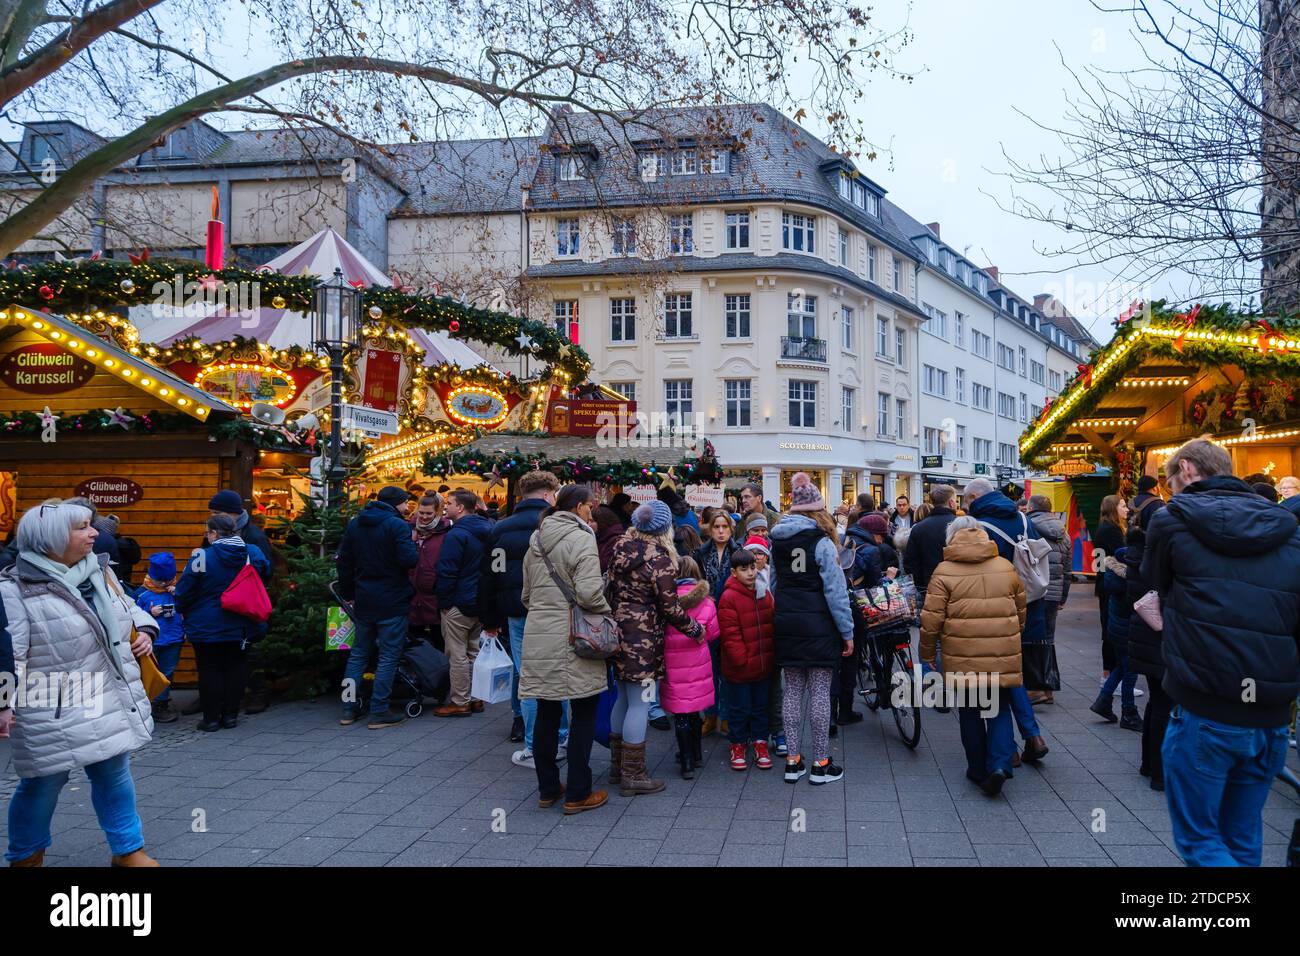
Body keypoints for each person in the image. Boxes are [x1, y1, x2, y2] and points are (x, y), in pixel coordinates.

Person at [1141, 439, 1300, 865]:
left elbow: (1154, 586)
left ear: (1188, 470)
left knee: (1201, 840)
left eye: (1169, 480)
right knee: (1243, 835)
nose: (1168, 490)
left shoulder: (1171, 519)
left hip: (1205, 703)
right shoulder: (1288, 527)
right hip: (1270, 715)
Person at [2, 500, 162, 867]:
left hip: (102, 692)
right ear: (51, 537)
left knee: (114, 773)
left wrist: (146, 631)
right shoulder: (14, 588)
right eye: (82, 528)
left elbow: (130, 609)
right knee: (43, 782)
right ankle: (26, 856)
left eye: (91, 525)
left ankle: (129, 851)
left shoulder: (99, 573)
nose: (94, 533)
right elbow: (11, 654)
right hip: (48, 701)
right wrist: (3, 702)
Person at [518, 484, 610, 814]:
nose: (592, 513)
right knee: (583, 712)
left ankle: (547, 788)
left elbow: (526, 596)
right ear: (580, 507)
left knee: (547, 709)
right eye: (590, 507)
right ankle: (578, 793)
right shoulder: (582, 538)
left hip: (539, 632)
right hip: (574, 634)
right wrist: (606, 610)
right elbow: (588, 593)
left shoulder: (537, 540)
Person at [920, 515, 1027, 796]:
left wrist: (928, 653)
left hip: (963, 657)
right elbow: (1020, 611)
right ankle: (1001, 765)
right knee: (999, 709)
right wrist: (1010, 638)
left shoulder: (944, 571)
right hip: (1001, 654)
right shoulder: (1004, 567)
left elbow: (931, 619)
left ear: (951, 539)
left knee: (970, 711)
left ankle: (978, 769)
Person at [607, 500, 704, 796]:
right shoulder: (659, 558)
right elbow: (670, 606)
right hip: (644, 639)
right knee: (642, 703)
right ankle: (633, 774)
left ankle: (617, 767)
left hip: (618, 632)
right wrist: (695, 629)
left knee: (622, 697)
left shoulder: (619, 548)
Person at [770, 472, 854, 785]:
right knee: (819, 691)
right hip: (819, 622)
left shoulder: (776, 539)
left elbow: (774, 585)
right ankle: (820, 762)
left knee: (791, 690)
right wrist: (847, 633)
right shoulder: (821, 542)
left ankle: (792, 760)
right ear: (818, 509)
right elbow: (836, 592)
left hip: (787, 621)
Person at [964, 477, 1050, 765]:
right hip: (1031, 606)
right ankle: (1031, 736)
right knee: (1013, 674)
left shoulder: (978, 526)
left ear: (974, 497)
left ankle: (1009, 748)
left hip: (997, 612)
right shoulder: (1024, 519)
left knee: (1000, 678)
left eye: (966, 500)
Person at [478, 471, 562, 761]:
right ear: (549, 494)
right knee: (555, 673)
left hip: (515, 610)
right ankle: (560, 737)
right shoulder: (555, 526)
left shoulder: (500, 528)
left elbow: (489, 576)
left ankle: (531, 738)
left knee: (526, 674)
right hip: (551, 611)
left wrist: (489, 619)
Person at [175, 514, 271, 732]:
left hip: (206, 624)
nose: (206, 536)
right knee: (236, 668)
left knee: (210, 670)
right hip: (242, 622)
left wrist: (182, 609)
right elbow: (265, 574)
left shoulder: (201, 556)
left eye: (207, 532)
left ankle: (210, 719)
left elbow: (185, 590)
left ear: (215, 533)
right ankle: (230, 717)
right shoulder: (252, 552)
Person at [336, 486, 420, 729]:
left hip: (364, 599)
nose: (407, 508)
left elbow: (344, 562)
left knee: (358, 654)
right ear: (396, 503)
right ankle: (379, 710)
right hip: (392, 599)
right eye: (405, 503)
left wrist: (348, 593)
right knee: (388, 656)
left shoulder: (356, 524)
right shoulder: (397, 525)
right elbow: (409, 560)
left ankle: (349, 707)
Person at [433, 489, 493, 717]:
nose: (445, 507)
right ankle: (476, 697)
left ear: (460, 508)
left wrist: (445, 602)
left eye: (449, 503)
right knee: (473, 650)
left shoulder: (456, 534)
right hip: (480, 599)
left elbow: (447, 570)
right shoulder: (488, 529)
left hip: (459, 600)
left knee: (456, 653)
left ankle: (460, 700)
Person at [659, 555, 718, 779]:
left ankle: (686, 763)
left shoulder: (666, 602)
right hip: (698, 663)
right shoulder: (707, 602)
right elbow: (713, 633)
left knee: (681, 714)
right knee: (694, 711)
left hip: (673, 664)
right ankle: (697, 755)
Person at [718, 548, 776, 772]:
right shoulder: (729, 597)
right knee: (740, 708)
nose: (751, 573)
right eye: (744, 569)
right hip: (740, 668)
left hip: (762, 663)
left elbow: (771, 623)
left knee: (761, 707)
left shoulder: (764, 592)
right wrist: (742, 660)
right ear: (734, 572)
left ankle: (761, 743)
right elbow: (730, 635)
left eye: (752, 567)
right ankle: (738, 744)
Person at [1124, 522, 1167, 790]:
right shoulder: (1158, 564)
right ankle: (1159, 773)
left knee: (1157, 702)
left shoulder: (1138, 556)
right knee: (1165, 704)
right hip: (1160, 637)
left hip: (1146, 636)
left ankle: (1149, 764)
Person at [1091, 541, 1141, 731]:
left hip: (1115, 629)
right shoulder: (1128, 581)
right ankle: (1129, 712)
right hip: (1127, 630)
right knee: (1130, 670)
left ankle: (1103, 701)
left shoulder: (1113, 578)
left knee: (1122, 665)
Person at [1025, 495, 1069, 706]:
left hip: (1035, 592)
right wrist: (1063, 596)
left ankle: (1035, 688)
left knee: (1033, 639)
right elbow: (1067, 569)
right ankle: (1048, 688)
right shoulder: (1063, 531)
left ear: (1031, 507)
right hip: (1054, 593)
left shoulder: (1027, 526)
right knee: (1049, 640)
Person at [134, 553, 185, 724]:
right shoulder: (141, 594)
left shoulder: (177, 590)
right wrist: (150, 613)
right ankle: (144, 704)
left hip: (174, 638)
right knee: (146, 672)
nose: (163, 585)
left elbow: (189, 607)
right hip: (151, 641)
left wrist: (179, 594)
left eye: (167, 581)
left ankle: (160, 705)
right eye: (160, 581)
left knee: (167, 672)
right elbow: (131, 617)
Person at [904, 485, 959, 608]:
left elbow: (910, 562)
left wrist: (921, 586)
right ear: (951, 503)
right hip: (959, 586)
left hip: (930, 587)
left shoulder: (919, 528)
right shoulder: (960, 525)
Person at [408, 493, 450, 652]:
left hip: (434, 595)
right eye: (421, 512)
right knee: (415, 644)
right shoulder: (409, 529)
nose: (424, 517)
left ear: (437, 512)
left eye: (429, 513)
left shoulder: (445, 532)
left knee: (438, 641)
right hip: (412, 594)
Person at [1093, 494, 1127, 681]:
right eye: (1123, 506)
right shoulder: (1112, 530)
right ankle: (1110, 677)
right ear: (1114, 508)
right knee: (1111, 630)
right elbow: (1122, 556)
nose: (1127, 509)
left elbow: (1098, 562)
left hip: (1105, 583)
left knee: (1109, 629)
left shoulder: (1105, 528)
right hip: (1110, 584)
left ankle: (1110, 676)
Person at [207, 490, 273, 568]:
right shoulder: (213, 530)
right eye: (211, 513)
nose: (213, 516)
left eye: (217, 513)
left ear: (233, 512)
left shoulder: (255, 537)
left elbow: (265, 569)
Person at [696, 510, 739, 602]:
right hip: (706, 604)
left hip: (731, 604)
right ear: (711, 529)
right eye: (716, 527)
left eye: (725, 526)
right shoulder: (700, 554)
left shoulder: (738, 553)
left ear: (731, 529)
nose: (721, 531)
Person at [593, 502, 625, 573]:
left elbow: (603, 566)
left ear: (601, 522)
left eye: (591, 521)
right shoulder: (603, 536)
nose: (588, 524)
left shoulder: (614, 540)